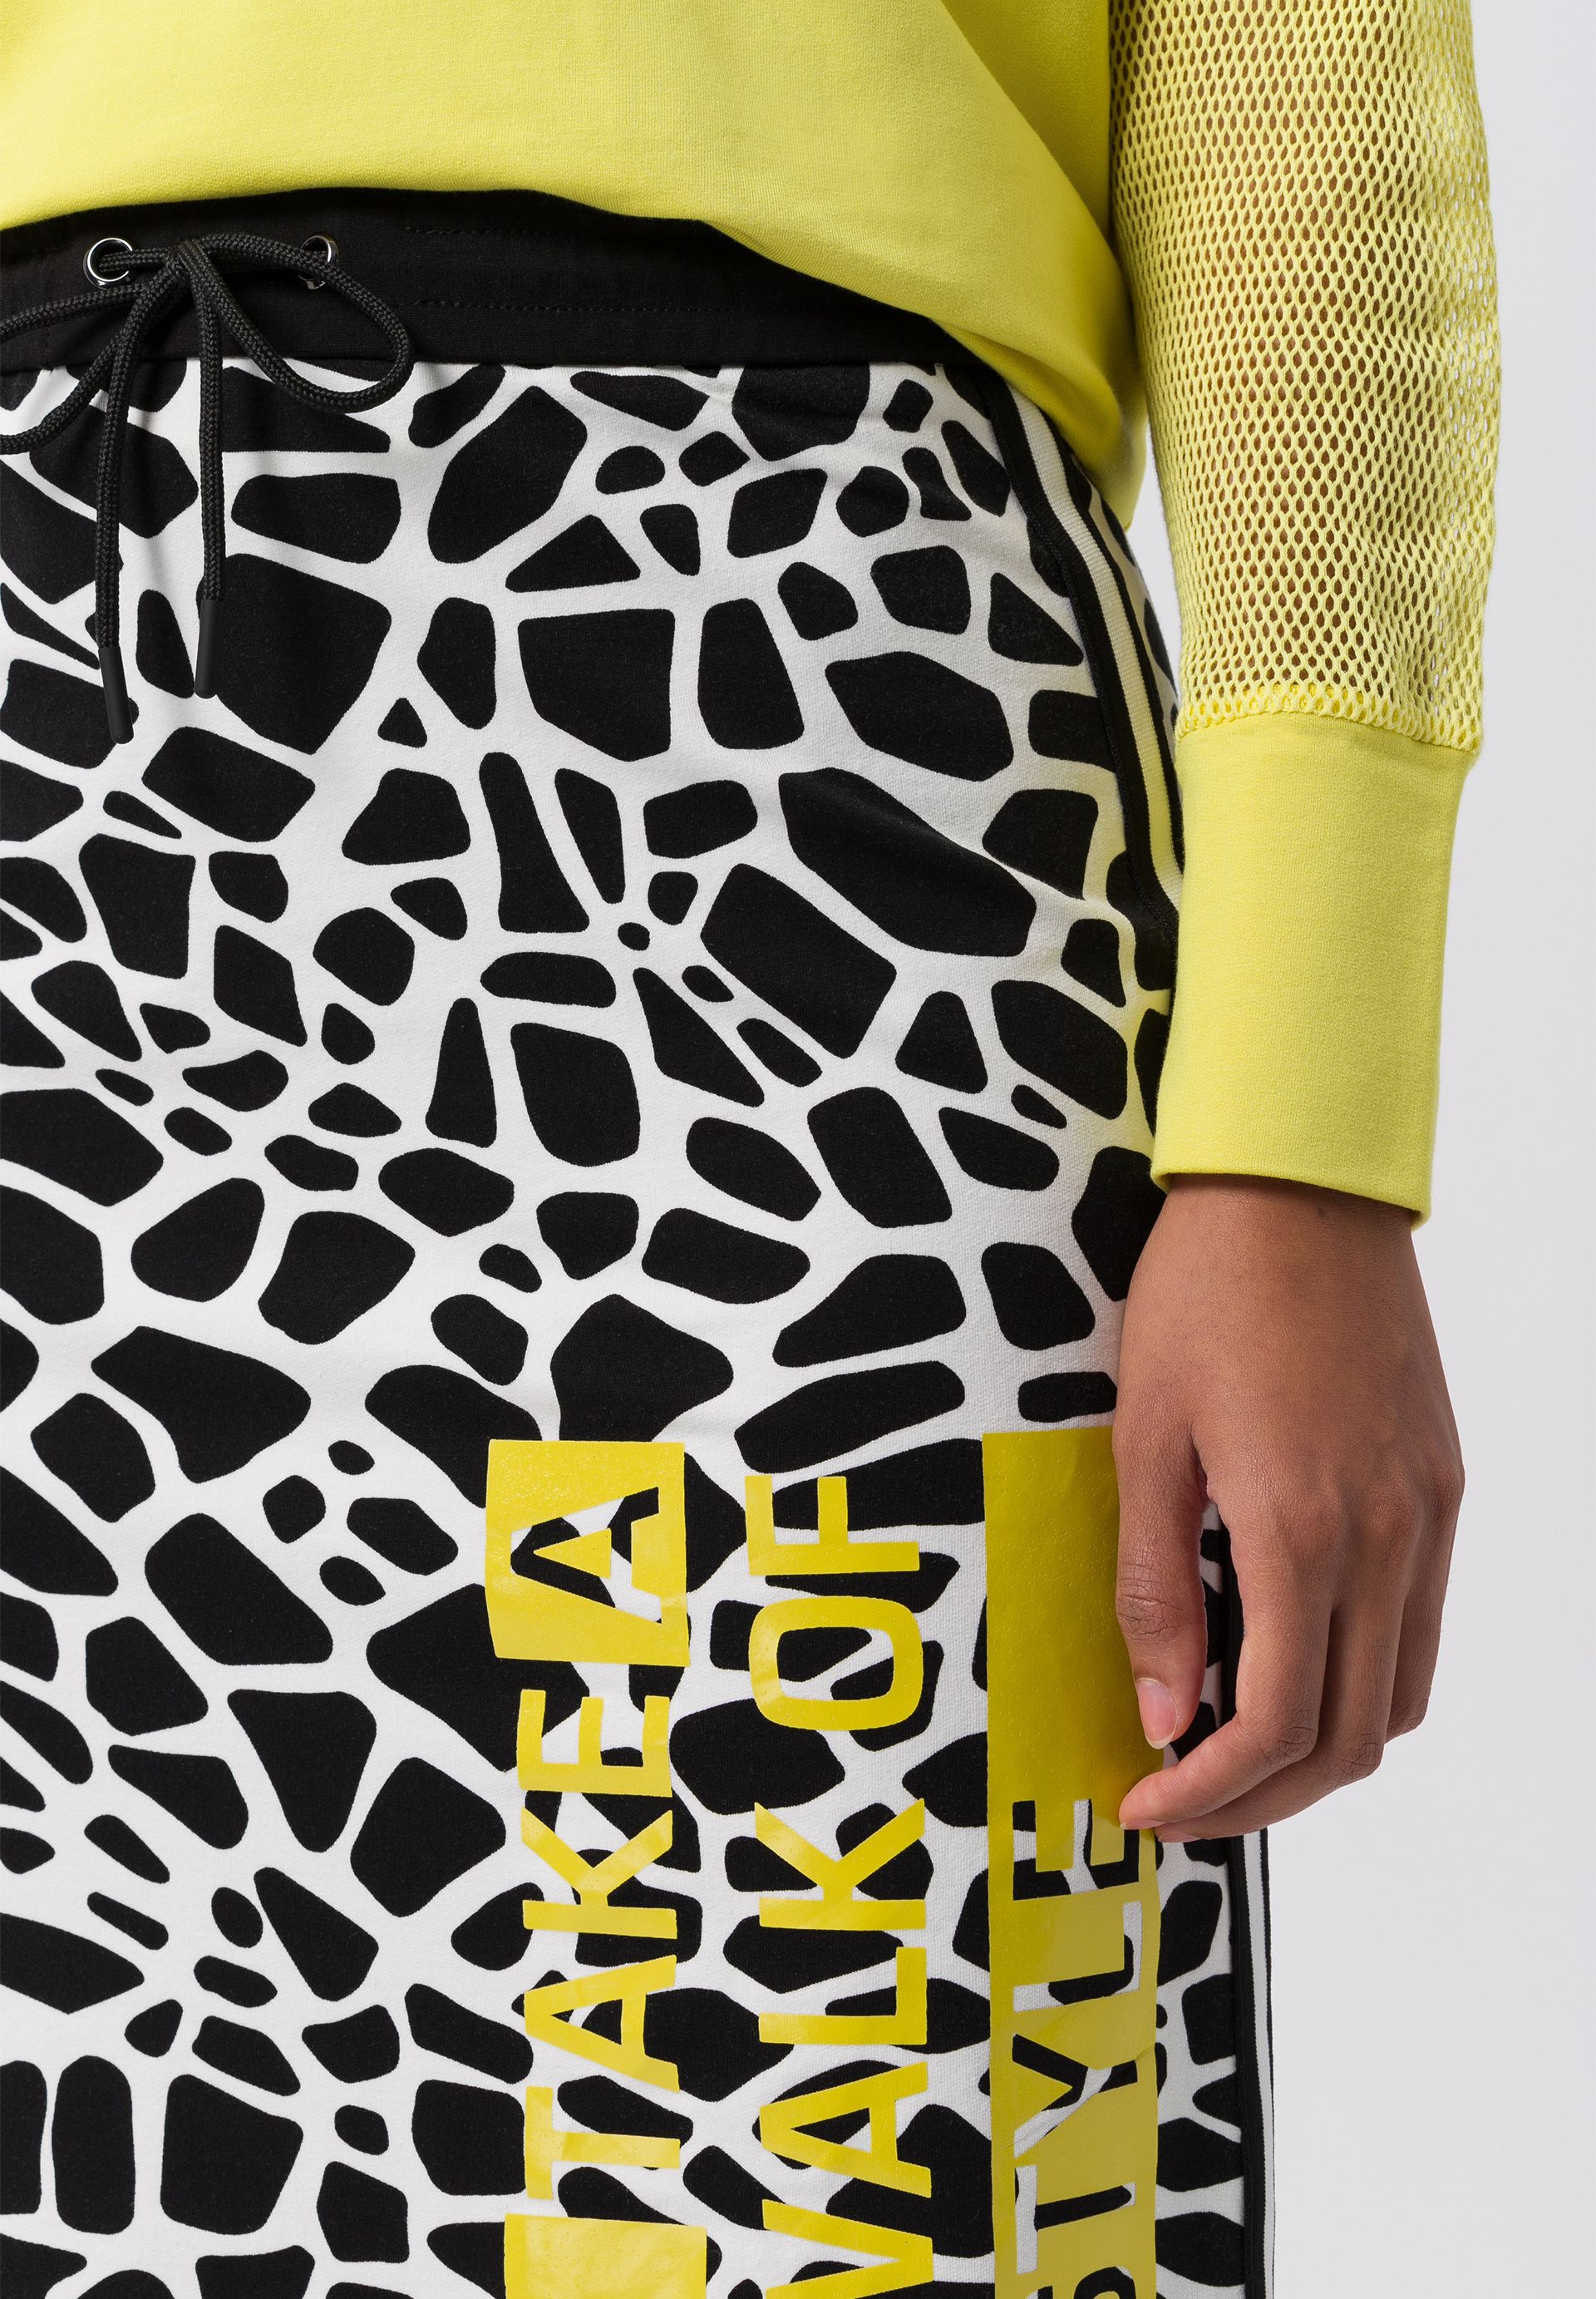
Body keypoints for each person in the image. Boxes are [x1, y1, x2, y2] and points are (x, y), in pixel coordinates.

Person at [0, 3, 1495, 2292]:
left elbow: (1301, 83)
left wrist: (1305, 1121)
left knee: (856, 2177)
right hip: (53, 723)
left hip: (801, 709)